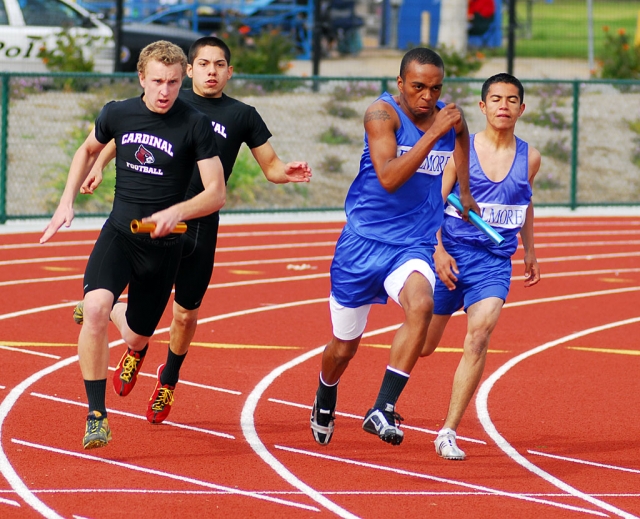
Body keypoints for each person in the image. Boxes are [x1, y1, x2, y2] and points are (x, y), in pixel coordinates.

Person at [81, 36, 312, 425]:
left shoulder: (243, 115)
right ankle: (134, 347)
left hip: (199, 226)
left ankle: (168, 377)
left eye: (219, 64)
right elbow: (121, 130)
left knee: (186, 315)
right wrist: (99, 163)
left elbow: (271, 167)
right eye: (203, 64)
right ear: (189, 69)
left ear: (229, 71)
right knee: (132, 315)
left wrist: (285, 173)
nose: (211, 71)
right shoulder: (168, 98)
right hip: (153, 223)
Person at [40, 40, 226, 449]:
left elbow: (216, 193)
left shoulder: (194, 124)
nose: (165, 91)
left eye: (174, 83)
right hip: (120, 234)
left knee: (137, 339)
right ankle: (96, 415)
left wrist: (179, 211)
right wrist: (65, 201)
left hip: (163, 247)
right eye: (158, 81)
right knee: (94, 308)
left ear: (183, 81)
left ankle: (121, 316)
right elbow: (86, 150)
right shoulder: (117, 112)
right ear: (141, 78)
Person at [309, 47, 478, 447]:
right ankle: (325, 392)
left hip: (412, 243)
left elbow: (462, 138)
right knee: (344, 347)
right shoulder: (380, 115)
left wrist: (466, 191)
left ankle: (382, 407)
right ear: (400, 83)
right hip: (362, 244)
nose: (427, 97)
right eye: (418, 87)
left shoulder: (447, 115)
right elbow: (388, 177)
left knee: (421, 303)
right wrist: (434, 133)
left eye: (435, 89)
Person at [421, 73, 541, 460]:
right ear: (482, 107)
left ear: (521, 109)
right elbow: (434, 205)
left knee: (479, 334)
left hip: (493, 263)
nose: (503, 106)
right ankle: (388, 397)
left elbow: (524, 203)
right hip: (451, 257)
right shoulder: (463, 151)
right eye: (495, 99)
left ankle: (448, 431)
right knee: (422, 347)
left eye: (510, 100)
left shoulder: (531, 157)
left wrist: (530, 250)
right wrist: (437, 251)